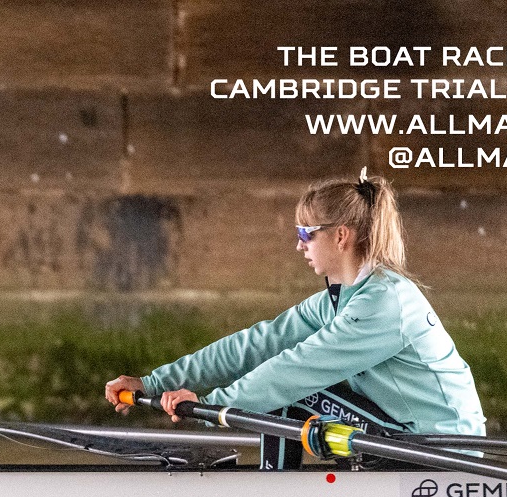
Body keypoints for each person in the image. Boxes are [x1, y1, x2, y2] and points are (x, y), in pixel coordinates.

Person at [105, 169, 485, 469]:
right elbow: (255, 345)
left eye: (306, 233)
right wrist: (155, 381)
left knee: (288, 392)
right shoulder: (338, 299)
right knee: (276, 383)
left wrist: (211, 408)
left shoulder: (385, 303)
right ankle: (276, 492)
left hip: (445, 451)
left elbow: (295, 370)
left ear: (340, 236)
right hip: (407, 436)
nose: (299, 244)